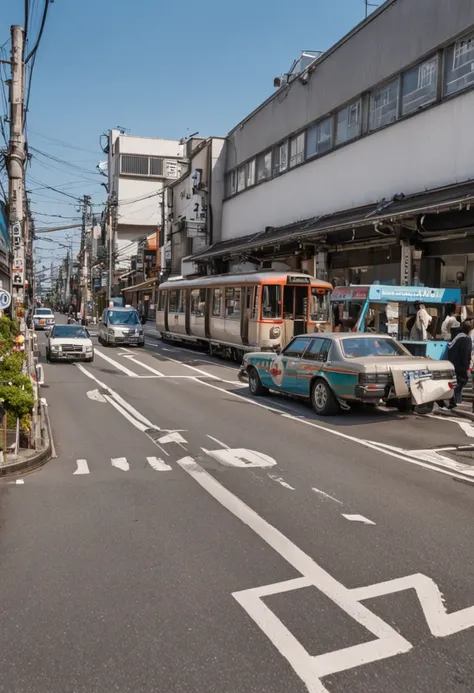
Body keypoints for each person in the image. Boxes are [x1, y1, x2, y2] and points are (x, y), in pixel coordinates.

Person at [447, 319, 473, 408]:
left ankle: (454, 402)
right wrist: (466, 367)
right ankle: (454, 400)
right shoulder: (466, 339)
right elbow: (466, 354)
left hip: (452, 364)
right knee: (462, 381)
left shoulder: (457, 337)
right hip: (460, 365)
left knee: (457, 382)